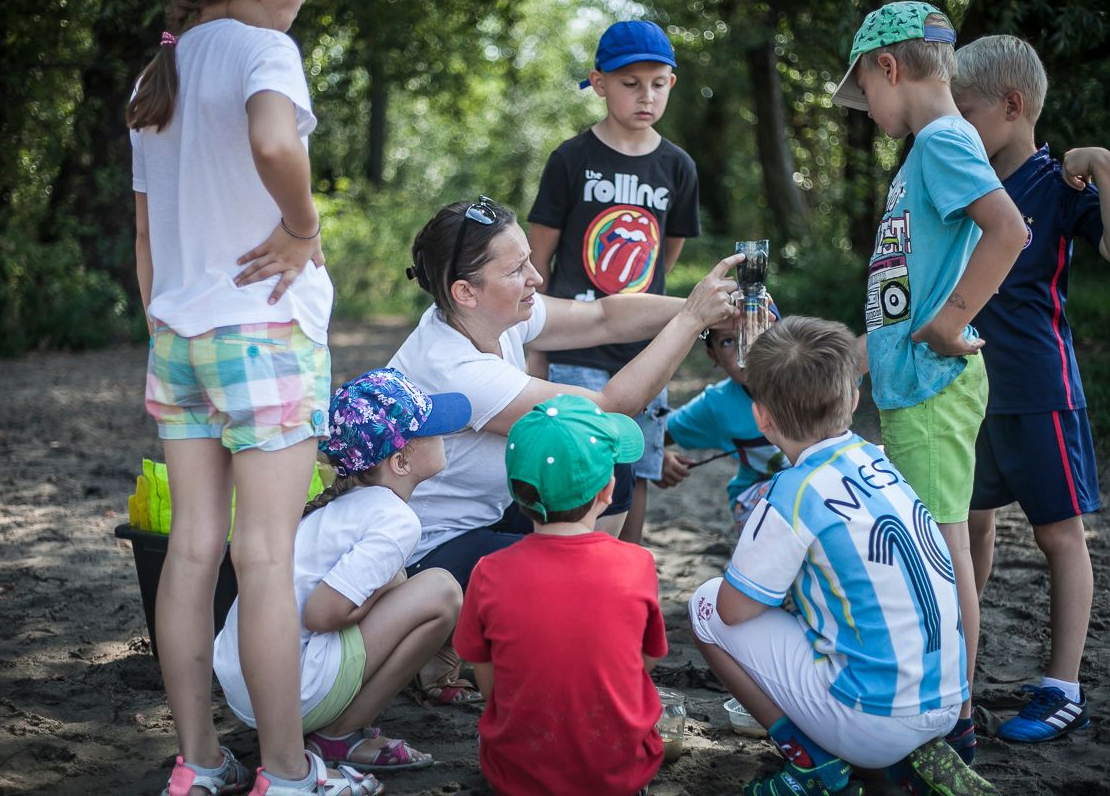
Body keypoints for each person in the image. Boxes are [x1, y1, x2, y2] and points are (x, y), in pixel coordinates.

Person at [388, 196, 737, 704]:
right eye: (517, 270)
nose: (536, 277)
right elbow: (607, 407)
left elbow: (601, 317)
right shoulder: (455, 368)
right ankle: (482, 636)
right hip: (429, 554)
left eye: (530, 261)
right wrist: (691, 322)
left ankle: (520, 621)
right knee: (591, 464)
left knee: (605, 460)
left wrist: (703, 309)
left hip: (485, 515)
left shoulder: (488, 317)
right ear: (465, 291)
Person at [128, 0, 349, 793]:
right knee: (264, 557)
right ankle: (286, 774)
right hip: (265, 337)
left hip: (177, 337)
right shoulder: (262, 49)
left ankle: (197, 763)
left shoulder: (159, 73)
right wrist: (303, 223)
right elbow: (273, 141)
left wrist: (166, 329)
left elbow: (146, 238)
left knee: (192, 550)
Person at [830, 0, 1028, 760]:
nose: (869, 109)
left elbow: (1010, 230)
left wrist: (950, 323)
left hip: (934, 383)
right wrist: (859, 352)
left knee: (943, 556)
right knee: (934, 547)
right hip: (915, 382)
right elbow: (910, 285)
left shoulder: (943, 139)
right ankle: (948, 701)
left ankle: (955, 713)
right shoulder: (931, 148)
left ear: (888, 68)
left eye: (866, 91)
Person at [688, 316, 998, 796]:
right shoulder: (879, 460)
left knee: (706, 606)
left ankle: (812, 762)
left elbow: (732, 610)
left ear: (761, 418)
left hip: (876, 720)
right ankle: (897, 758)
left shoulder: (792, 492)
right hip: (948, 703)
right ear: (854, 398)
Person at [952, 35, 1110, 743]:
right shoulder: (964, 179)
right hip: (968, 387)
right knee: (967, 520)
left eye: (966, 111)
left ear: (1012, 105)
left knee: (1057, 533)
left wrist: (1105, 166)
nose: (955, 123)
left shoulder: (1058, 184)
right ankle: (958, 658)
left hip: (1040, 389)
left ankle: (1062, 688)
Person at [214, 368, 470, 791]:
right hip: (292, 691)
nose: (442, 435)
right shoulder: (394, 518)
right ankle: (340, 735)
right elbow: (321, 613)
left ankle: (332, 727)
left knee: (407, 583)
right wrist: (387, 587)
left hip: (247, 692)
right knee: (441, 592)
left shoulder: (341, 505)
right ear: (400, 461)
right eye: (429, 430)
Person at [526, 19, 701, 546]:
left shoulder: (678, 167)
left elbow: (664, 254)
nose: (646, 96)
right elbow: (537, 262)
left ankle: (625, 569)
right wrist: (535, 349)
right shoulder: (570, 159)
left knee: (636, 465)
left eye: (658, 83)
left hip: (644, 349)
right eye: (631, 83)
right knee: (573, 463)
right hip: (574, 343)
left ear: (672, 84)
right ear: (599, 83)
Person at [454, 394, 668, 796]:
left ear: (517, 493)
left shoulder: (489, 573)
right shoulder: (636, 564)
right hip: (620, 772)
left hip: (517, 776)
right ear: (608, 490)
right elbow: (649, 658)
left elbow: (488, 680)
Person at [656, 323, 788, 531]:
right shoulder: (717, 404)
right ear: (714, 356)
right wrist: (658, 458)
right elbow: (655, 433)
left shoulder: (811, 379)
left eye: (756, 331)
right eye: (728, 341)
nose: (746, 349)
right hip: (758, 499)